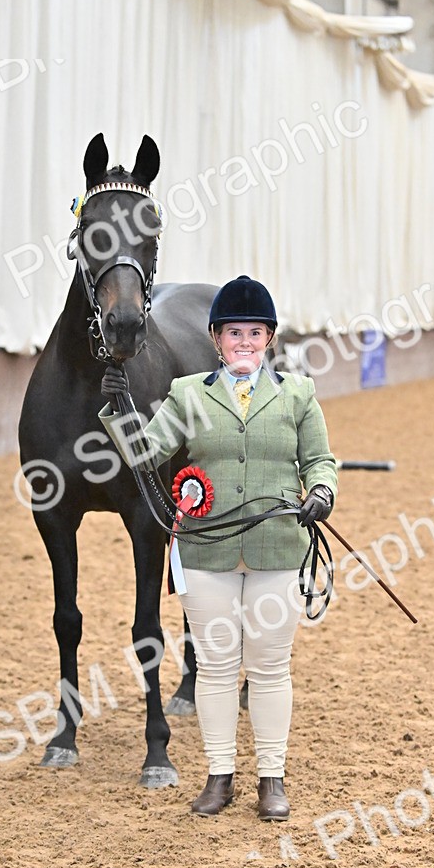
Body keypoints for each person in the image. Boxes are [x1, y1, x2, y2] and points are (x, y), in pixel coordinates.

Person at [99, 275, 337, 820]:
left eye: (255, 332)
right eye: (235, 333)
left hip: (278, 546)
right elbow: (148, 452)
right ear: (216, 338)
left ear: (270, 339)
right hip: (206, 552)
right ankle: (219, 776)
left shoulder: (299, 395)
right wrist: (118, 413)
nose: (245, 342)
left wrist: (322, 492)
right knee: (216, 666)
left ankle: (272, 779)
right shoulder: (188, 395)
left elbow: (319, 461)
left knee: (271, 667)